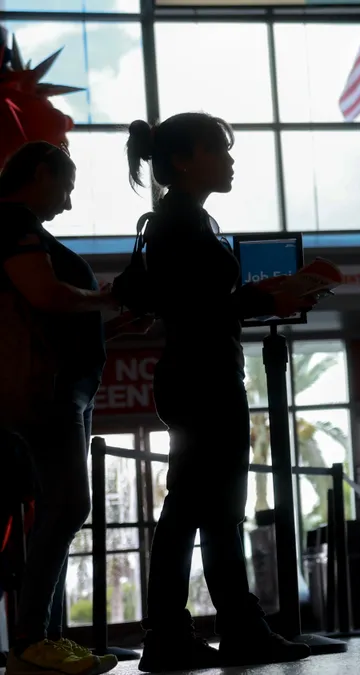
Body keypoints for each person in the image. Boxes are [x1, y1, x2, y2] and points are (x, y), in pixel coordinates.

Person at [125, 113, 317, 671]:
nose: (230, 161)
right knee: (200, 507)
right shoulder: (180, 224)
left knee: (204, 507)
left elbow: (199, 302)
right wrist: (268, 301)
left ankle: (215, 627)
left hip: (197, 374)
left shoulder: (185, 221)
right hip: (204, 378)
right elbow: (200, 307)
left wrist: (272, 295)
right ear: (185, 160)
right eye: (219, 150)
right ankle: (194, 629)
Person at [0, 142, 124, 675]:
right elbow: (45, 296)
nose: (69, 203)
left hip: (56, 387)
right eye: (67, 187)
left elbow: (47, 314)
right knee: (68, 505)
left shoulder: (21, 227)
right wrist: (106, 299)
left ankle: (43, 639)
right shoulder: (9, 223)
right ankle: (31, 641)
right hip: (43, 391)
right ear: (42, 172)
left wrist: (109, 322)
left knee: (56, 509)